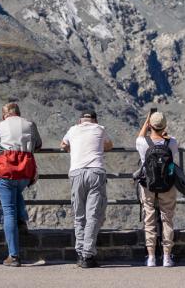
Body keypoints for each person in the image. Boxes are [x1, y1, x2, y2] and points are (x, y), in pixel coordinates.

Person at [0, 102, 42, 267]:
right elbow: (38, 144)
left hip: (7, 169)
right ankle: (22, 220)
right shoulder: (30, 124)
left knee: (8, 212)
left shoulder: (0, 125)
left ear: (4, 115)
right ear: (18, 112)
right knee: (17, 191)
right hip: (26, 171)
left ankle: (14, 256)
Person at [60, 110, 113, 268]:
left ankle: (80, 253)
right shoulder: (100, 129)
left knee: (79, 216)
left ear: (80, 121)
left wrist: (73, 149)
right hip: (95, 172)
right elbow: (109, 146)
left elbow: (63, 145)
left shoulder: (72, 129)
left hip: (76, 173)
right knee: (93, 215)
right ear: (95, 121)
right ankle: (87, 255)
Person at [136, 110, 179, 268]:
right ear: (165, 126)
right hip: (167, 185)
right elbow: (173, 156)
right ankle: (167, 257)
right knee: (167, 219)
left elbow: (140, 136)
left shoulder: (142, 142)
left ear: (150, 125)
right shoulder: (172, 142)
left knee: (149, 219)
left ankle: (151, 257)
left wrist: (146, 124)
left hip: (148, 185)